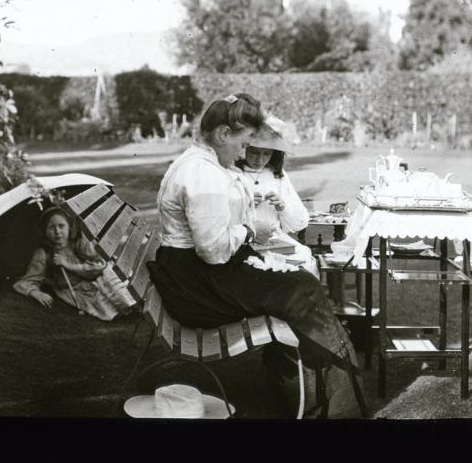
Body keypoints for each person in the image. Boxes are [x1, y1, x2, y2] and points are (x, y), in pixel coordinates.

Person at [149, 93, 367, 418]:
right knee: (303, 290)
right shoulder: (202, 174)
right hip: (198, 288)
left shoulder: (200, 165)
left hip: (194, 278)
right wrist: (250, 232)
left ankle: (317, 392)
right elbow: (213, 250)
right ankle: (338, 405)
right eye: (244, 142)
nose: (243, 152)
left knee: (300, 286)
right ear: (223, 134)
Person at [13, 207, 134, 321]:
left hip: (94, 278)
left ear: (69, 227)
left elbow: (99, 265)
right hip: (75, 289)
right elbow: (27, 281)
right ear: (45, 231)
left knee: (110, 277)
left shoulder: (77, 243)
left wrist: (67, 264)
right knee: (108, 308)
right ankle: (122, 311)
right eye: (51, 228)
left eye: (61, 226)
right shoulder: (44, 253)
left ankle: (130, 303)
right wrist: (36, 293)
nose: (57, 232)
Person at [235, 116, 318, 278]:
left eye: (266, 154)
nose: (260, 159)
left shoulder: (277, 175)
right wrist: (246, 204)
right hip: (243, 240)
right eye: (254, 153)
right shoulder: (235, 174)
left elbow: (300, 222)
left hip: (275, 241)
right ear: (245, 148)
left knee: (302, 259)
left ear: (274, 154)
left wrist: (282, 206)